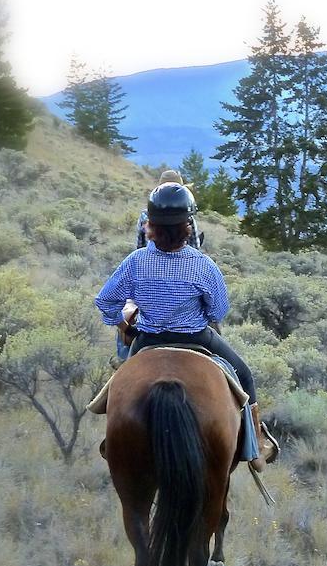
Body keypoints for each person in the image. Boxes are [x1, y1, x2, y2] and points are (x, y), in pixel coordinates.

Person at [96, 182, 277, 470]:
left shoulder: (135, 262)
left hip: (147, 340)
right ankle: (256, 444)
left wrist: (123, 325)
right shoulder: (203, 265)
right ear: (188, 226)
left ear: (150, 226)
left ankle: (114, 436)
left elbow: (105, 301)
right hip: (198, 338)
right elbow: (219, 310)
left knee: (121, 384)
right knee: (243, 374)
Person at [135, 169, 203, 250]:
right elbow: (195, 246)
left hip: (150, 258)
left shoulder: (145, 215)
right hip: (182, 260)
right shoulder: (187, 217)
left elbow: (139, 244)